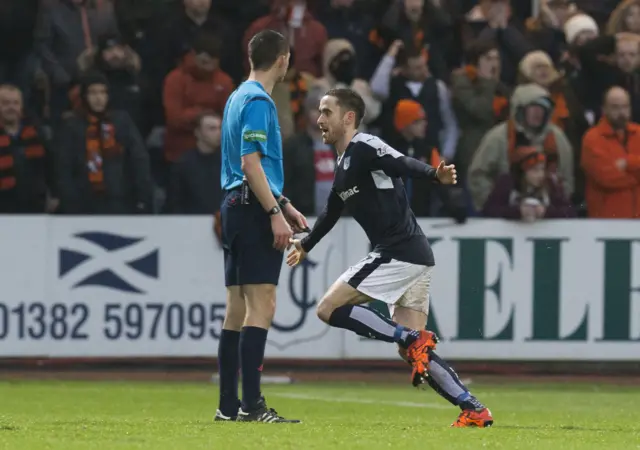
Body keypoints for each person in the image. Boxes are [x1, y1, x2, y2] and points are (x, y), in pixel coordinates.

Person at [287, 88, 493, 428]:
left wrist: (433, 174)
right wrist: (307, 244)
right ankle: (472, 408)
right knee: (414, 355)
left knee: (328, 309)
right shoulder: (344, 167)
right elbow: (330, 213)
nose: (319, 119)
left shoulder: (364, 146)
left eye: (327, 112)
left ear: (348, 117)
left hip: (398, 252)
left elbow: (399, 162)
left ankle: (410, 337)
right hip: (414, 256)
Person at [216, 29, 308, 424]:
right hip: (252, 208)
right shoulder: (259, 101)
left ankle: (227, 406)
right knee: (263, 305)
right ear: (283, 59)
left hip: (235, 204)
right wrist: (273, 212)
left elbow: (244, 167)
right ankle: (252, 406)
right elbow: (251, 162)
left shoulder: (237, 96)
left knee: (236, 309)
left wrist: (283, 203)